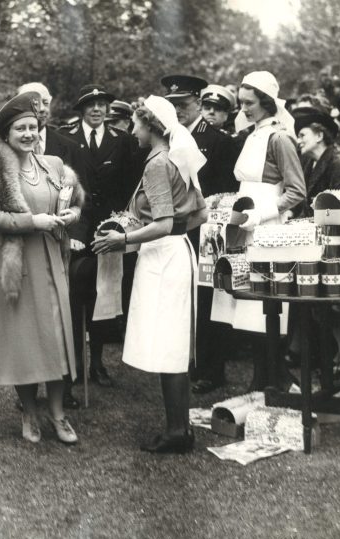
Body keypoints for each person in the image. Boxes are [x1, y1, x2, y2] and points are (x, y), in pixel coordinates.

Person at [93, 96, 207, 453]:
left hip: (163, 258)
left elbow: (163, 223)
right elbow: (200, 215)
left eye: (136, 124)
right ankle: (180, 426)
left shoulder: (157, 162)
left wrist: (123, 238)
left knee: (168, 343)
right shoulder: (178, 156)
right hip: (178, 252)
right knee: (171, 342)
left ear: (151, 127)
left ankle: (177, 431)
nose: (132, 130)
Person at [0, 91, 85, 444]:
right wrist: (32, 222)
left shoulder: (52, 164)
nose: (28, 134)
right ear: (6, 134)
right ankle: (29, 413)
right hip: (14, 262)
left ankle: (58, 414)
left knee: (55, 336)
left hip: (51, 259)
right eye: (20, 128)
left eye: (33, 127)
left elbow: (72, 200)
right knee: (23, 340)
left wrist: (71, 215)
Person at [211, 71, 306, 390]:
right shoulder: (252, 135)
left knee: (268, 307)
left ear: (266, 102)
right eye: (241, 103)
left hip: (268, 232)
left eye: (249, 103)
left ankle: (272, 379)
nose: (244, 109)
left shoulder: (279, 137)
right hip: (245, 226)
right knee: (246, 305)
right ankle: (262, 379)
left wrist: (261, 215)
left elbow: (296, 191)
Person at [161, 74, 240, 394]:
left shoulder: (219, 141)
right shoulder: (167, 137)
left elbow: (227, 190)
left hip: (208, 230)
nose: (178, 110)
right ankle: (185, 361)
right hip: (176, 227)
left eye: (183, 104)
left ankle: (211, 368)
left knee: (208, 298)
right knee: (179, 295)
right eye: (173, 104)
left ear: (198, 103)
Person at [65, 84, 140, 387]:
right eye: (90, 104)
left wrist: (121, 224)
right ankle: (74, 362)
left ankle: (96, 361)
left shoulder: (122, 141)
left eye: (102, 105)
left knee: (104, 293)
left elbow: (129, 186)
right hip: (75, 226)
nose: (97, 109)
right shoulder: (66, 139)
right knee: (74, 294)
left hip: (109, 229)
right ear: (81, 109)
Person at [17, 81, 85, 408]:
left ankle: (64, 388)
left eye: (44, 102)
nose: (40, 108)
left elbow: (81, 193)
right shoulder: (9, 146)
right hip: (25, 243)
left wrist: (76, 229)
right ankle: (28, 388)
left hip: (60, 241)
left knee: (62, 314)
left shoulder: (66, 144)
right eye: (32, 103)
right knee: (29, 318)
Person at [293, 107, 340, 217]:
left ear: (319, 136)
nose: (298, 141)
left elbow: (339, 209)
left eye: (302, 135)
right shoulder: (308, 162)